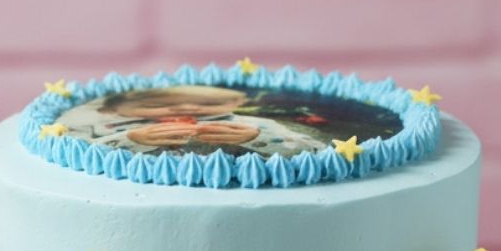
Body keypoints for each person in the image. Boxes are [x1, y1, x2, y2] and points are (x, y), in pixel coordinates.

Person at [60, 85, 326, 156]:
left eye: (210, 104)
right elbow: (71, 156)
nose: (188, 108)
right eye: (156, 105)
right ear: (113, 109)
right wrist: (128, 140)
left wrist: (257, 139)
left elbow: (315, 150)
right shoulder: (94, 127)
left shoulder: (245, 124)